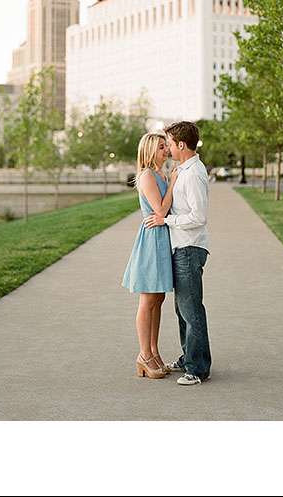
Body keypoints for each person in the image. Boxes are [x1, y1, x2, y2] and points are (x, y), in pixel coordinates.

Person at [144, 120, 211, 386]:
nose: (168, 148)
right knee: (183, 309)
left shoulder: (193, 173)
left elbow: (199, 216)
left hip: (189, 246)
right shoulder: (183, 170)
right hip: (180, 246)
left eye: (170, 143)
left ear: (181, 144)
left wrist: (166, 221)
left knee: (191, 310)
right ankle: (188, 358)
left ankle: (197, 369)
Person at [122, 132, 177, 379]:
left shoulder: (161, 174)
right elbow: (160, 210)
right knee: (147, 300)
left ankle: (154, 351)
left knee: (158, 299)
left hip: (163, 239)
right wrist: (174, 183)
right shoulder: (146, 176)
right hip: (152, 241)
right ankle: (143, 354)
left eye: (166, 146)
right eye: (161, 147)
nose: (166, 150)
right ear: (149, 151)